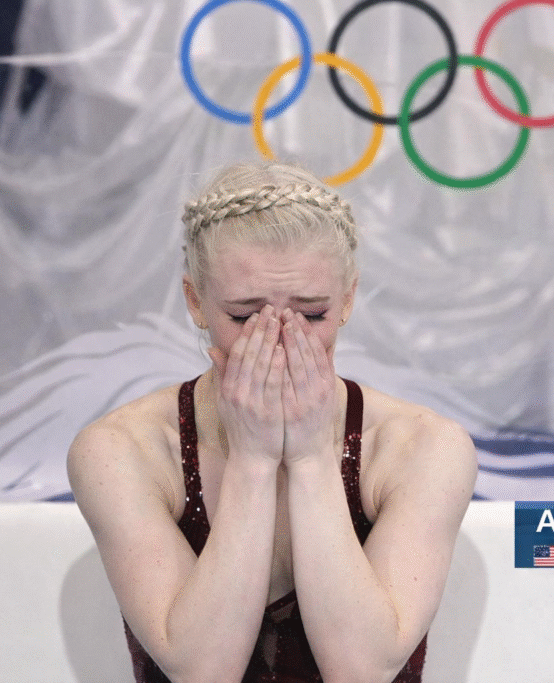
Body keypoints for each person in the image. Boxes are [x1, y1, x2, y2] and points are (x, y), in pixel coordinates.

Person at [67, 161, 477, 683]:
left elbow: (362, 671)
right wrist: (255, 460)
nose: (281, 340)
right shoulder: (123, 451)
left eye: (310, 315)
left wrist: (308, 456)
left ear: (348, 299)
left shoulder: (422, 447)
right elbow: (202, 671)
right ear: (196, 302)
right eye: (244, 317)